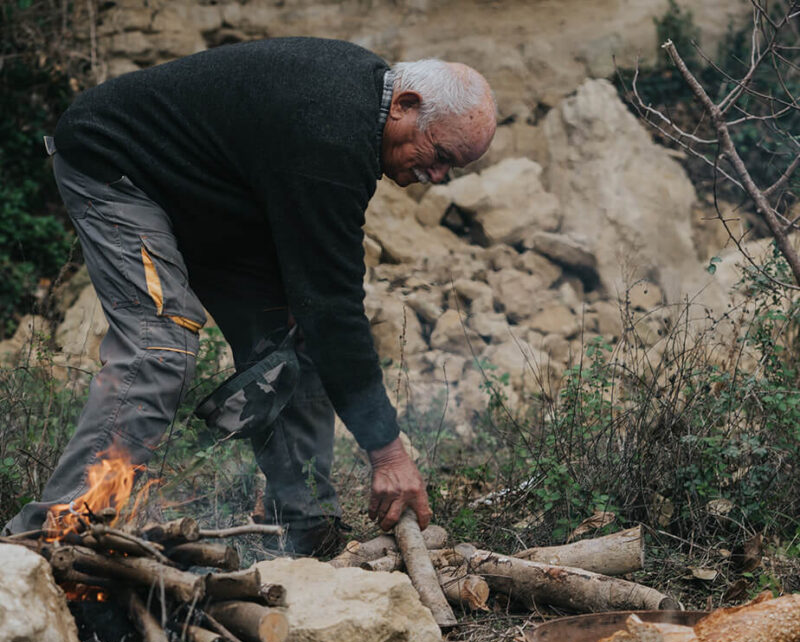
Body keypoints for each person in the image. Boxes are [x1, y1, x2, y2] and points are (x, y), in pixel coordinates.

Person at [4, 37, 496, 555]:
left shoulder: (360, 111)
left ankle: (305, 527)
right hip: (117, 163)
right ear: (406, 105)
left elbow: (320, 309)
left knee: (291, 341)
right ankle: (51, 536)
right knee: (159, 345)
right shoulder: (331, 134)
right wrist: (388, 455)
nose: (436, 177)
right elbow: (334, 307)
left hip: (207, 191)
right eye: (440, 155)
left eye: (451, 169)